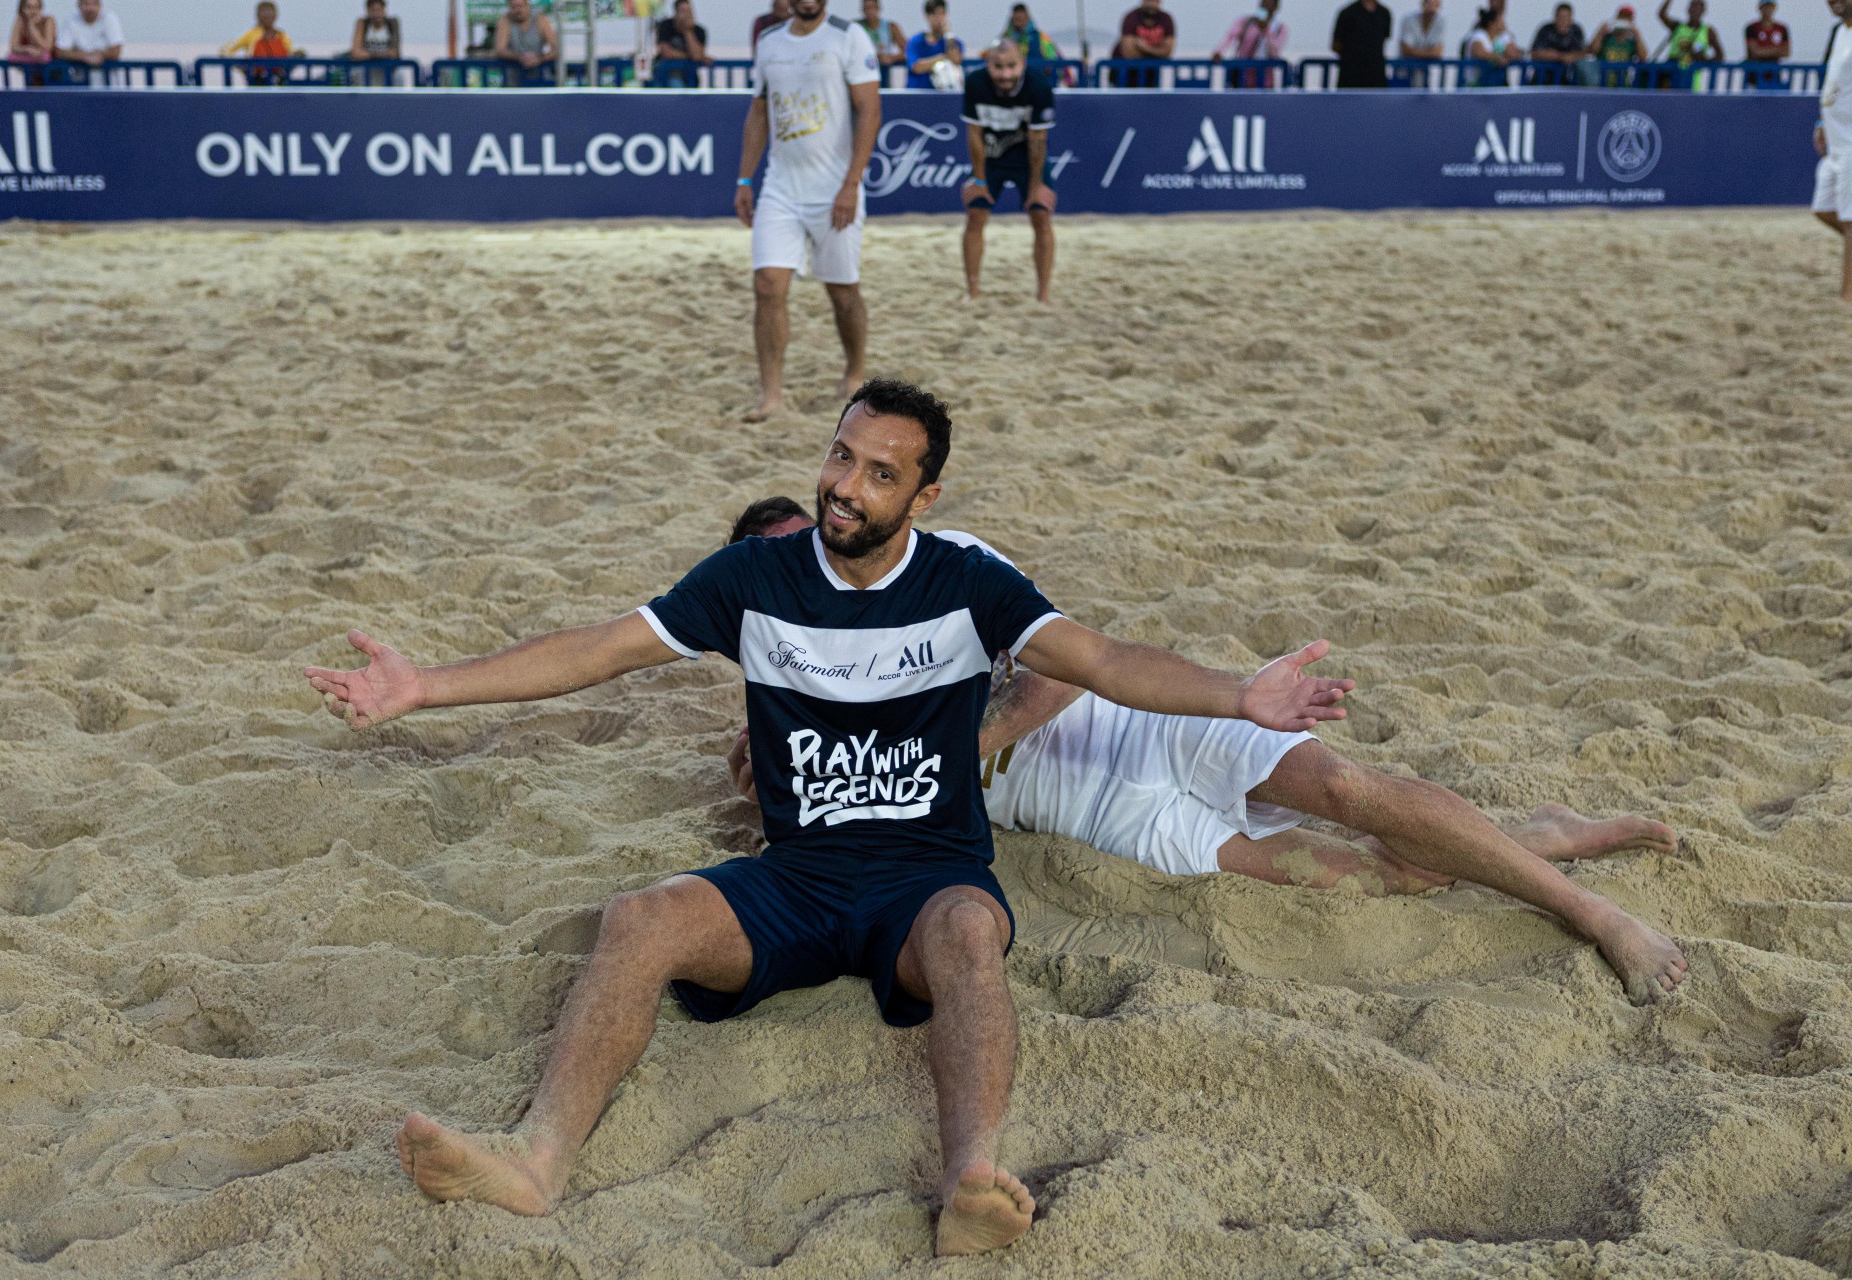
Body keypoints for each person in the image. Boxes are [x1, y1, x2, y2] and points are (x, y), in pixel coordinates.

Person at [307, 380, 1360, 1252]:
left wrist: (1240, 693)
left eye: (879, 472)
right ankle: (535, 1161)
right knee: (641, 917)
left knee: (967, 933)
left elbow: (1106, 662)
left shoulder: (966, 583)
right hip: (799, 878)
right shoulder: (755, 577)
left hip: (926, 872)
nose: (846, 486)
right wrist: (424, 685)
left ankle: (970, 1182)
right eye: (841, 456)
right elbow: (596, 649)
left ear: (925, 490)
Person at [725, 497, 1691, 1008]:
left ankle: (1595, 914)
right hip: (1099, 817)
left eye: (823, 536)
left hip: (1142, 724)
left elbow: (1064, 675)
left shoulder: (948, 569)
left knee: (1350, 789)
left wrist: (963, 744)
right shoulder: (788, 684)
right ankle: (1537, 836)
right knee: (1363, 879)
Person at [736, 0, 882, 421]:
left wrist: (852, 184)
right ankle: (772, 396)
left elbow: (870, 110)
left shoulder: (848, 36)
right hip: (780, 188)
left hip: (834, 189)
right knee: (767, 286)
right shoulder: (769, 41)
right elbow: (759, 111)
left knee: (842, 291)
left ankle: (854, 372)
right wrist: (745, 180)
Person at [959, 39, 1057, 304]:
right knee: (975, 213)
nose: (1005, 74)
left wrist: (1037, 187)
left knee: (1041, 214)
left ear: (1022, 65)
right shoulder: (975, 83)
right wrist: (978, 179)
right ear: (987, 65)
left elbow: (1038, 141)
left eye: (1011, 67)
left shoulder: (1038, 85)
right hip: (991, 158)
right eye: (998, 67)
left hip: (1027, 159)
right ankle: (973, 292)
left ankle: (1043, 294)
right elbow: (974, 134)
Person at [1815, 0, 1852, 301]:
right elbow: (1835, 82)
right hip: (1836, 139)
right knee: (1823, 209)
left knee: (1851, 220)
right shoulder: (1839, 31)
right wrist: (1821, 120)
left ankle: (1847, 296)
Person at [906, 0, 965, 90]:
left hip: (944, 96)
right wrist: (943, 57)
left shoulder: (953, 42)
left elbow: (956, 59)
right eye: (935, 14)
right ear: (927, 16)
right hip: (918, 95)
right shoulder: (915, 42)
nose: (939, 19)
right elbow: (916, 67)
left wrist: (948, 35)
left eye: (942, 14)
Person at [1332, 0, 1393, 86]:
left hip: (1376, 76)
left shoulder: (1384, 13)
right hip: (1351, 77)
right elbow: (1336, 45)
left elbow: (1383, 38)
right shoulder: (1348, 13)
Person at [1114, 0, 1176, 84]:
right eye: (1148, 1)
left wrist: (1144, 47)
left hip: (1151, 74)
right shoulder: (1131, 18)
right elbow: (1129, 53)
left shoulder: (1165, 19)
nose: (1151, 4)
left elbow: (1167, 51)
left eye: (1155, 1)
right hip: (1124, 74)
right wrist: (1156, 52)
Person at [495, 0, 558, 81]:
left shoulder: (541, 20)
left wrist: (539, 59)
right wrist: (520, 57)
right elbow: (500, 50)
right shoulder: (505, 20)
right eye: (514, 7)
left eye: (520, 6)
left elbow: (556, 49)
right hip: (513, 79)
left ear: (527, 5)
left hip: (540, 76)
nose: (518, 10)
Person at [1584, 1, 1647, 81]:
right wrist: (1600, 32)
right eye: (1622, 17)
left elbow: (1643, 57)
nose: (1624, 21)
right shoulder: (1606, 38)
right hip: (1602, 83)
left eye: (1628, 18)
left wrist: (1637, 34)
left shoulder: (1632, 42)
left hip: (1622, 84)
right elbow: (1593, 51)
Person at [654, 0, 713, 85]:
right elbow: (666, 53)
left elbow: (696, 55)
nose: (687, 15)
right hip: (666, 74)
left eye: (689, 11)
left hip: (689, 76)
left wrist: (688, 31)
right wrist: (693, 56)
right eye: (683, 11)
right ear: (676, 13)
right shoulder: (665, 26)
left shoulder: (699, 31)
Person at [1213, 0, 1290, 63]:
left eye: (1270, 3)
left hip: (1265, 76)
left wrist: (1266, 31)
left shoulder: (1280, 28)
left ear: (1276, 7)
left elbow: (1275, 52)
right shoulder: (1245, 22)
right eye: (1264, 2)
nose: (1267, 6)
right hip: (1243, 73)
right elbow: (1230, 37)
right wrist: (1219, 52)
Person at [53, 0, 123, 68]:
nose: (90, 8)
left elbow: (116, 50)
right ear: (79, 6)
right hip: (80, 78)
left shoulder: (109, 18)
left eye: (94, 4)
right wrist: (84, 56)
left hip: (109, 77)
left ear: (100, 6)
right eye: (86, 4)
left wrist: (100, 55)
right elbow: (60, 51)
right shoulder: (71, 21)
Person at [221, 1, 300, 58]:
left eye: (269, 12)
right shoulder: (251, 34)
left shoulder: (281, 35)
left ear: (275, 15)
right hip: (256, 77)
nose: (267, 14)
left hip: (279, 76)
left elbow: (290, 53)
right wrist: (241, 66)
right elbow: (230, 50)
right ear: (258, 16)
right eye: (263, 12)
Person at [1658, 0, 1723, 69]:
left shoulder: (1708, 31)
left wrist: (1704, 60)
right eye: (1692, 8)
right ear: (1688, 10)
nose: (1694, 11)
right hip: (1673, 68)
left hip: (1692, 71)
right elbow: (1662, 15)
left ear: (1703, 11)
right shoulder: (1678, 26)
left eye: (1697, 9)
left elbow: (1720, 55)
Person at [1530, 2, 1587, 78]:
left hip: (1568, 79)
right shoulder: (1546, 30)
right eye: (1561, 18)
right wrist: (1561, 57)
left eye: (1566, 18)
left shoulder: (1576, 31)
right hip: (1543, 77)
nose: (1563, 22)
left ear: (1571, 19)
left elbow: (1582, 53)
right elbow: (1535, 53)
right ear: (1555, 18)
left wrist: (1571, 57)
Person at [8, 0, 57, 70]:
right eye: (29, 7)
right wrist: (28, 49)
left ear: (40, 8)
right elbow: (13, 47)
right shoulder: (20, 21)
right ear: (22, 9)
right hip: (30, 68)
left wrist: (32, 27)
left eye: (36, 7)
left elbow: (47, 47)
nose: (33, 11)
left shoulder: (48, 21)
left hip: (51, 68)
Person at [859, 0, 907, 67]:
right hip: (863, 67)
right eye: (866, 8)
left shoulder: (890, 27)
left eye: (872, 8)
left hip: (884, 70)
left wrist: (892, 58)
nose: (869, 12)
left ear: (878, 8)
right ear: (862, 10)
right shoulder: (857, 27)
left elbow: (909, 51)